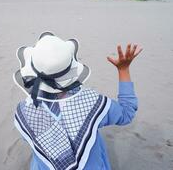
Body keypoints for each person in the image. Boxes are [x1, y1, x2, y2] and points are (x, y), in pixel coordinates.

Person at [13, 32, 142, 170]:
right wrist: (123, 70)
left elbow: (28, 138)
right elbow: (127, 112)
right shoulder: (92, 102)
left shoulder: (24, 111)